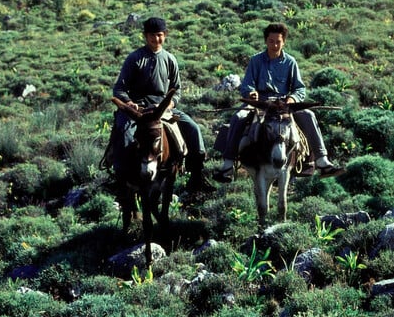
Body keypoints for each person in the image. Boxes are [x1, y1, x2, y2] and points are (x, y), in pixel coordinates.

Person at [213, 21, 343, 183]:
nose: (274, 45)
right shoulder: (256, 61)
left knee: (308, 115)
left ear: (284, 42)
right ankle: (227, 165)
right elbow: (247, 84)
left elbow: (299, 88)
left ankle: (322, 161)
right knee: (238, 117)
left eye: (278, 41)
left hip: (283, 104)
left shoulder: (290, 62)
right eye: (271, 41)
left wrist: (292, 99)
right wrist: (251, 93)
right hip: (260, 102)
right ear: (266, 41)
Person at [113, 16, 212, 193]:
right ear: (145, 36)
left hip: (161, 108)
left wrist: (169, 104)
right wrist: (129, 103)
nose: (156, 39)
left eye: (159, 35)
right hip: (137, 109)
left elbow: (177, 90)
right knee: (124, 131)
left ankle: (196, 175)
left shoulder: (170, 59)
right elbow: (119, 88)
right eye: (152, 35)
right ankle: (123, 177)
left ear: (165, 35)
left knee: (193, 128)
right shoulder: (134, 58)